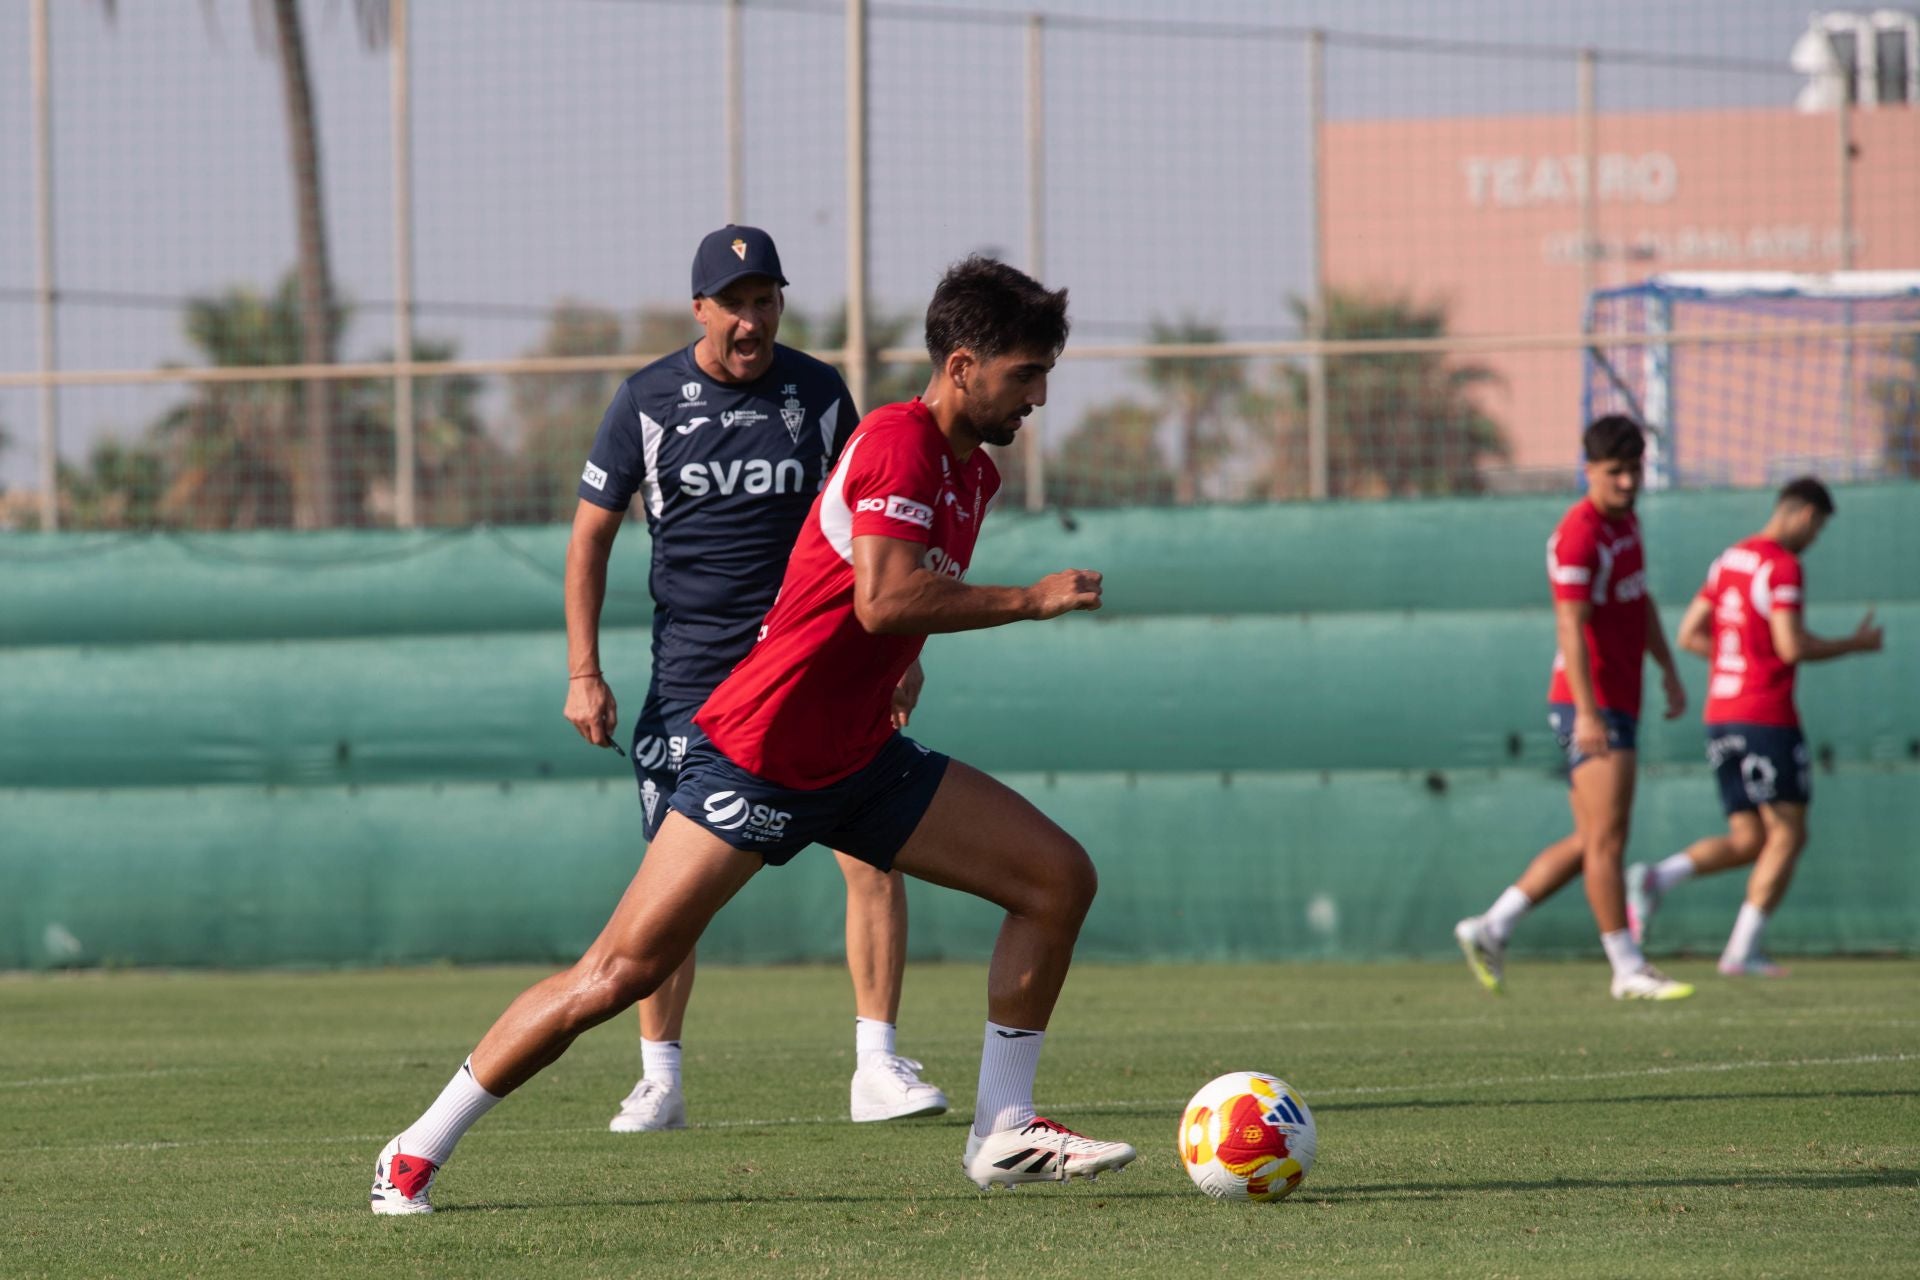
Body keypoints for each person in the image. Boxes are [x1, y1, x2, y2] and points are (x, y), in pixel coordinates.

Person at [370, 255, 1137, 1215]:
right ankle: (411, 1150)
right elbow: (886, 596)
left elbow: (886, 609)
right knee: (616, 975)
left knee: (1057, 879)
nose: (1038, 398)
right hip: (759, 755)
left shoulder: (970, 472)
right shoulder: (898, 441)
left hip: (858, 758)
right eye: (1026, 376)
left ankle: (1003, 1131)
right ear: (963, 365)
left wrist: (902, 663)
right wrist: (1027, 599)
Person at [560, 225, 945, 1133]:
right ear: (700, 308)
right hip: (692, 680)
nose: (751, 318)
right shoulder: (646, 400)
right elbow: (590, 537)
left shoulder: (818, 394)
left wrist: (905, 651)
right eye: (733, 302)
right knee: (670, 887)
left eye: (765, 299)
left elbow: (879, 523)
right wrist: (584, 670)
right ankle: (660, 1079)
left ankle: (878, 1065)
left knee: (873, 854)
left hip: (816, 667)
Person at [1454, 415, 1695, 1001]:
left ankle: (1493, 927)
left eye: (1635, 470)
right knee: (1609, 838)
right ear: (1588, 470)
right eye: (1615, 472)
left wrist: (1665, 666)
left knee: (1593, 839)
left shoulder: (1626, 522)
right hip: (1589, 704)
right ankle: (1627, 966)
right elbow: (1569, 625)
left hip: (1621, 699)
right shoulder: (1579, 534)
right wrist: (1587, 713)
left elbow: (1639, 604)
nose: (1627, 483)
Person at [1626, 477, 1883, 975]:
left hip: (1721, 716)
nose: (1814, 540)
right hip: (1766, 716)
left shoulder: (1729, 560)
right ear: (1807, 515)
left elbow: (1689, 634)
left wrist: (1734, 660)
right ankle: (1742, 950)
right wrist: (1854, 644)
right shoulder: (1783, 566)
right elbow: (1790, 647)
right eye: (1818, 529)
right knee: (1789, 834)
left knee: (1749, 839)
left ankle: (1658, 878)